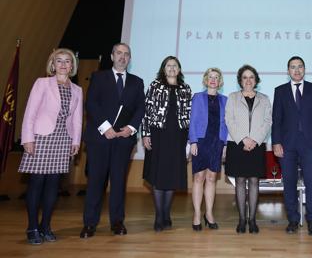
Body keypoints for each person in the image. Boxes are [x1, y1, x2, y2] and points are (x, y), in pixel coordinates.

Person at [80, 43, 145, 238]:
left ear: (130, 59)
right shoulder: (99, 77)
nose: (122, 57)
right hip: (100, 139)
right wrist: (105, 127)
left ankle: (117, 222)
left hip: (123, 141)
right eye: (119, 53)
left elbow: (140, 108)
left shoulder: (137, 82)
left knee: (118, 182)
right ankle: (90, 223)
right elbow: (91, 103)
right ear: (112, 56)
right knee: (96, 182)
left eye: (126, 54)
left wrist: (131, 128)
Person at [19, 48, 83, 244]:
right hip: (40, 138)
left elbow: (77, 119)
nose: (63, 64)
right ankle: (32, 227)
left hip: (62, 140)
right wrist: (27, 138)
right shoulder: (42, 83)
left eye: (67, 61)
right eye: (59, 61)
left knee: (53, 187)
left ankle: (45, 226)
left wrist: (75, 141)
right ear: (52, 65)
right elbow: (30, 112)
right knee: (36, 185)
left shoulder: (77, 90)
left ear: (72, 66)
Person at [272, 56, 312, 236]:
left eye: (300, 67)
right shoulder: (280, 91)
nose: (296, 70)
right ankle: (293, 220)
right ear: (288, 70)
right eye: (293, 67)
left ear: (304, 69)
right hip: (287, 145)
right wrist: (276, 142)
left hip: (311, 144)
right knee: (289, 184)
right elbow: (277, 120)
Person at [141, 56, 192, 231]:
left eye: (175, 66)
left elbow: (190, 116)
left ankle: (166, 214)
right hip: (158, 135)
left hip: (178, 137)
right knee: (158, 175)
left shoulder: (185, 88)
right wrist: (145, 134)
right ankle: (158, 216)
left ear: (179, 69)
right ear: (164, 69)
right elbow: (146, 111)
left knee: (171, 176)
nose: (171, 68)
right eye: (168, 66)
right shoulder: (155, 86)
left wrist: (189, 141)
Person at [225, 65, 272, 234]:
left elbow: (268, 122)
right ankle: (241, 220)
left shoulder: (265, 99)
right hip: (237, 144)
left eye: (251, 77)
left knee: (254, 181)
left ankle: (252, 220)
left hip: (257, 145)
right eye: (245, 77)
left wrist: (255, 140)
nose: (248, 80)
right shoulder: (232, 97)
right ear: (240, 80)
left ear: (256, 80)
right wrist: (243, 139)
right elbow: (229, 120)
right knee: (239, 181)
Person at [188, 68, 228, 231]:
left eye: (216, 77)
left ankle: (209, 214)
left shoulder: (225, 100)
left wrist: (224, 144)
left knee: (212, 178)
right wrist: (193, 141)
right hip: (201, 141)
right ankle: (197, 214)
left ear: (220, 82)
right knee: (199, 178)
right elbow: (192, 120)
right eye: (210, 77)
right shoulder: (198, 97)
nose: (213, 79)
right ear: (206, 80)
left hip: (216, 142)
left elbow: (226, 124)